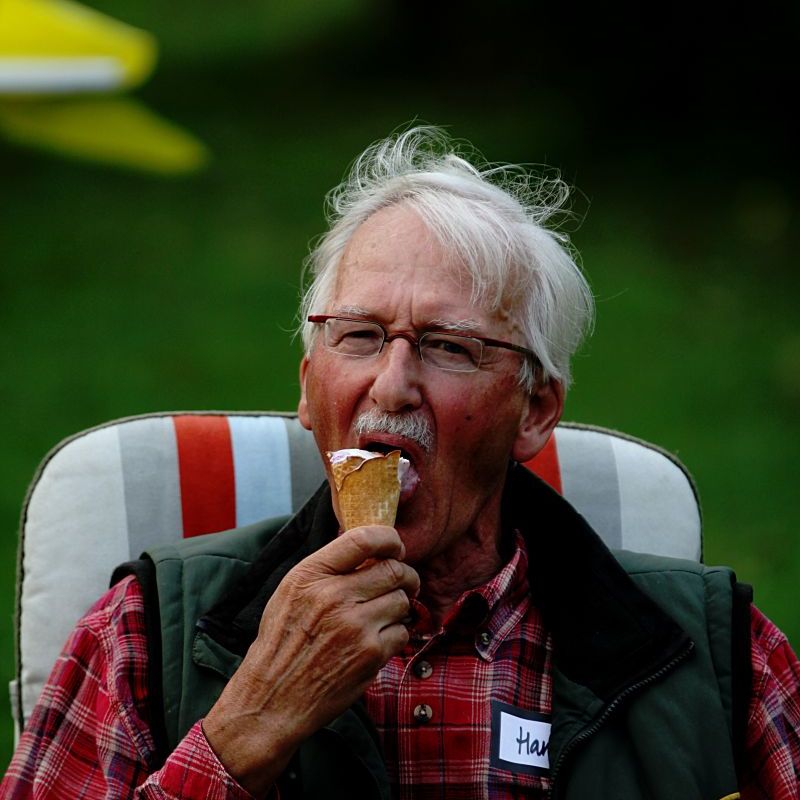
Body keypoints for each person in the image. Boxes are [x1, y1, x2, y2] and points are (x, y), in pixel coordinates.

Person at [2, 126, 798, 800]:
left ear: (534, 411)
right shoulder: (144, 633)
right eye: (359, 336)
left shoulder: (720, 656)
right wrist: (247, 730)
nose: (392, 385)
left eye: (450, 346)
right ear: (308, 388)